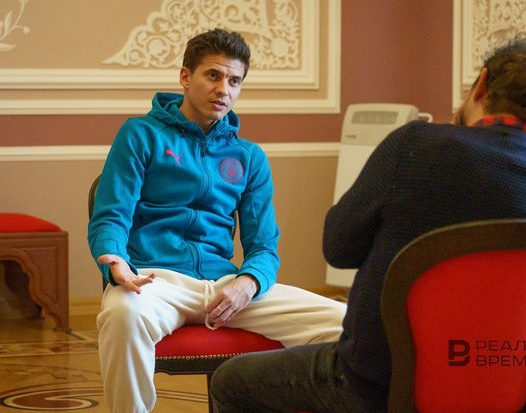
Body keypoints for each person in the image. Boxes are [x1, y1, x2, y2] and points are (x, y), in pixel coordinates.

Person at [210, 38, 526, 412]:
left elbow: (338, 248)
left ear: (482, 84)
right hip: (501, 399)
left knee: (230, 382)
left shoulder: (415, 146)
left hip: (374, 388)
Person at [88, 28, 346, 413]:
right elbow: (111, 214)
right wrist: (113, 260)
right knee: (121, 315)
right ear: (185, 77)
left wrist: (248, 282)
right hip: (156, 282)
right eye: (213, 75)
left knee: (348, 324)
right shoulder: (140, 135)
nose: (223, 89)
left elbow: (264, 247)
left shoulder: (249, 157)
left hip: (226, 286)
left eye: (234, 81)